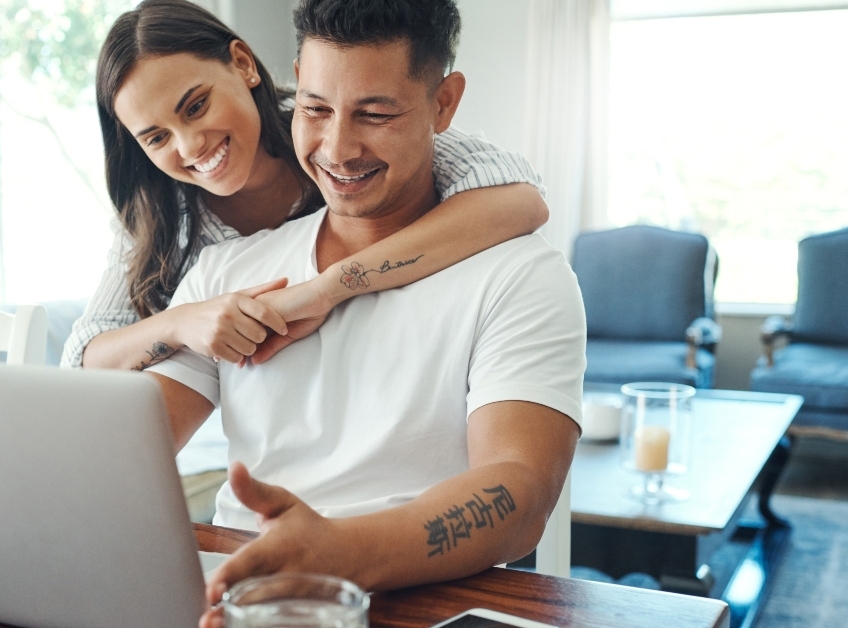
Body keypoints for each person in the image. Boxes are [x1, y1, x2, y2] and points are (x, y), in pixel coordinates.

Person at [130, 1, 586, 624]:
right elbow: (126, 450)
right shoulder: (225, 271)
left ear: (444, 103)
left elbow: (519, 491)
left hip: (427, 601)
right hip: (249, 599)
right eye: (316, 109)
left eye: (375, 114)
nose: (338, 149)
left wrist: (338, 553)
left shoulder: (520, 275)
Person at [61, 0, 550, 372]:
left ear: (243, 64)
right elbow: (84, 354)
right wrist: (181, 321)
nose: (190, 147)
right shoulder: (160, 212)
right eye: (157, 137)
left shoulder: (330, 122)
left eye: (196, 107)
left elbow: (519, 199)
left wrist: (327, 289)